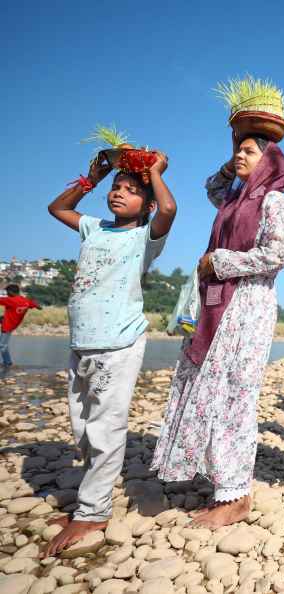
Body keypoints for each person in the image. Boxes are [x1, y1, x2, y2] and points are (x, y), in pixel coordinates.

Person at [151, 134, 284, 528]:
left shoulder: (273, 202)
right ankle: (220, 482)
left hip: (246, 308)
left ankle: (236, 494)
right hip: (218, 305)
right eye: (238, 148)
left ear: (269, 161)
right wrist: (230, 163)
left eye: (249, 151)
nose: (239, 155)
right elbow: (213, 188)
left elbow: (277, 255)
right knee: (209, 390)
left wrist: (220, 259)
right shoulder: (234, 200)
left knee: (234, 396)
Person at [44, 145, 176, 556]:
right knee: (82, 426)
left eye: (130, 189)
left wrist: (153, 171)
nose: (119, 192)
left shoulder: (144, 238)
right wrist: (95, 175)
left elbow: (168, 209)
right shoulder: (94, 228)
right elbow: (57, 208)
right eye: (116, 187)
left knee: (105, 428)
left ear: (146, 205)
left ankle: (93, 512)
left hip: (118, 344)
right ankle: (90, 495)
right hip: (82, 342)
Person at [0, 284, 41, 368]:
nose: (6, 294)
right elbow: (35, 305)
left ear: (11, 292)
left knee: (2, 345)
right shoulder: (25, 300)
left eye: (7, 292)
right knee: (3, 344)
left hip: (7, 325)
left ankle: (7, 363)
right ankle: (7, 362)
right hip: (13, 323)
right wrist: (38, 306)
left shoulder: (10, 300)